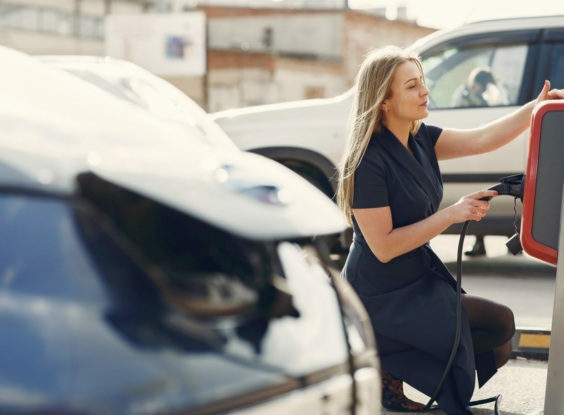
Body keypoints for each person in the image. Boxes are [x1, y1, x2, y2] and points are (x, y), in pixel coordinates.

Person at [336, 45, 564, 414]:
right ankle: (383, 355)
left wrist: (537, 107)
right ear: (383, 100)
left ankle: (386, 365)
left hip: (415, 278)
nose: (425, 91)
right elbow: (383, 247)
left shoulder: (421, 139)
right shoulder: (367, 161)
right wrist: (452, 214)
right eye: (412, 86)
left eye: (422, 82)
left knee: (498, 336)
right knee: (497, 324)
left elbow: (483, 138)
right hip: (379, 292)